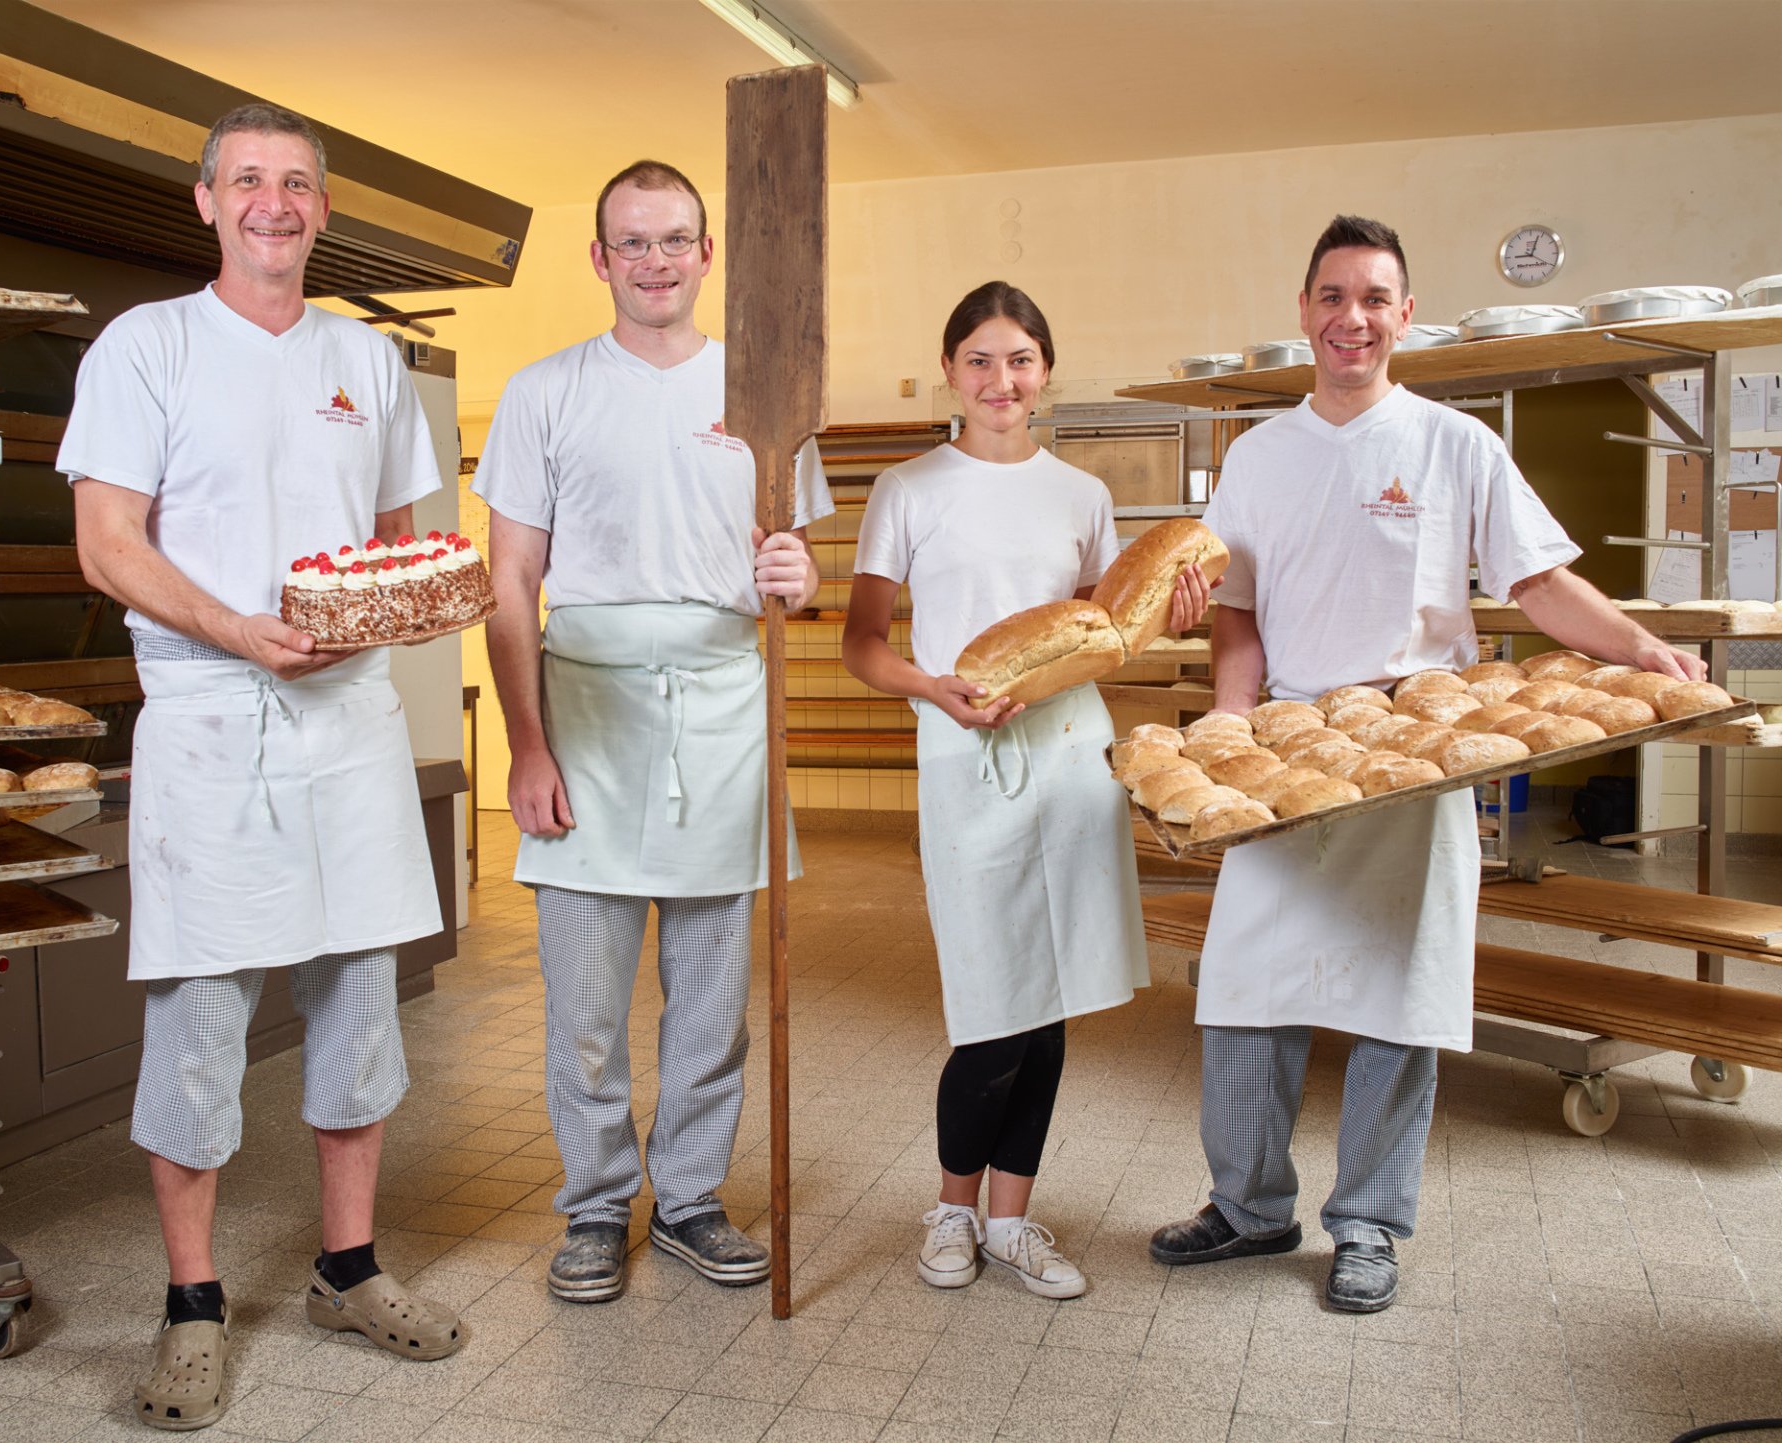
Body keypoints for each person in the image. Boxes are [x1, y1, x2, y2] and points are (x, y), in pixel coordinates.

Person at [1147, 215, 1706, 1312]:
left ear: (1406, 315)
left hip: (1417, 749)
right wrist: (1229, 745)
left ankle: (1368, 1227)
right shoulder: (1257, 457)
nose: (1351, 318)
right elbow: (1239, 617)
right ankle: (1251, 1208)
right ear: (1303, 311)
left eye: (1373, 298)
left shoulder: (1456, 444)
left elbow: (1538, 585)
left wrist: (1641, 646)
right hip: (1292, 750)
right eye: (1331, 296)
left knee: (1402, 1003)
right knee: (1244, 996)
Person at [60, 103, 465, 1432]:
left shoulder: (368, 358)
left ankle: (348, 1269)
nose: (273, 202)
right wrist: (236, 624)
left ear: (323, 208)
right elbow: (108, 542)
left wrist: (407, 605)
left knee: (360, 1001)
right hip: (206, 711)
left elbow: (406, 534)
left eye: (296, 183)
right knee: (198, 1022)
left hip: (345, 718)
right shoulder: (149, 346)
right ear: (205, 201)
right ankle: (192, 1302)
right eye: (249, 180)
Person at [473, 159, 830, 1304]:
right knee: (584, 1002)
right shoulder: (545, 390)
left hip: (724, 709)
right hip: (587, 714)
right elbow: (511, 582)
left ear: (708, 253)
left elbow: (799, 576)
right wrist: (527, 747)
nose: (656, 261)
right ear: (599, 259)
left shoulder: (767, 390)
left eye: (676, 239)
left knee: (713, 997)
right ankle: (591, 1208)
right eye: (633, 242)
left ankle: (686, 1200)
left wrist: (798, 573)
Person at [843, 281, 1207, 1299]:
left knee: (1050, 1005)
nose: (1001, 381)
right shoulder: (907, 488)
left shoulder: (1081, 496)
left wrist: (1167, 619)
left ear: (1046, 372)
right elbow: (861, 645)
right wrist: (937, 690)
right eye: (980, 360)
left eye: (1021, 361)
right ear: (952, 369)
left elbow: (1100, 644)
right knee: (991, 1002)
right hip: (964, 761)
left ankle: (1010, 1221)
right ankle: (950, 1212)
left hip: (1069, 760)